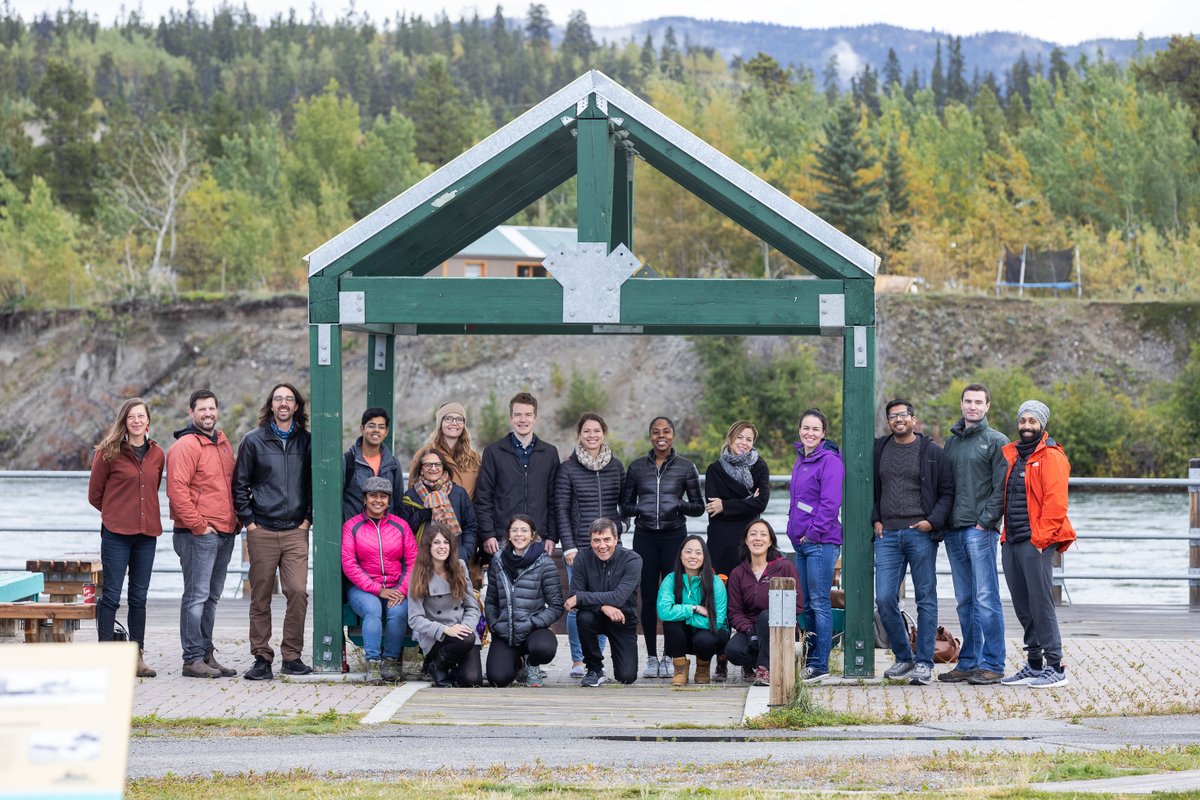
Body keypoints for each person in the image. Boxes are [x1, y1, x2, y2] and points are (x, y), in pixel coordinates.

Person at [871, 398, 955, 686]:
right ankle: (904, 657)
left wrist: (932, 521)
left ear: (913, 419)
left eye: (903, 415)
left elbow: (947, 492)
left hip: (920, 533)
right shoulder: (879, 448)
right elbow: (871, 487)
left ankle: (924, 663)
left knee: (925, 598)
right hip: (887, 535)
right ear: (888, 422)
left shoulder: (931, 452)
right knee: (884, 598)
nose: (898, 420)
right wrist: (875, 519)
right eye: (892, 416)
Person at [233, 382, 313, 681]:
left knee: (297, 591)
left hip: (296, 530)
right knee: (261, 596)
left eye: (288, 399)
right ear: (271, 405)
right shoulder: (253, 441)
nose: (283, 404)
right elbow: (240, 485)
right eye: (278, 399)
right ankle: (261, 657)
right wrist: (250, 522)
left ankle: (291, 656)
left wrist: (308, 520)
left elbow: (314, 484)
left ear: (296, 406)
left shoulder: (307, 442)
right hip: (262, 529)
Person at [620, 416, 704, 679]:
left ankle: (670, 655)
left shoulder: (685, 467)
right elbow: (625, 506)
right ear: (650, 436)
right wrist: (642, 508)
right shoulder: (636, 468)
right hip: (645, 537)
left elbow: (698, 507)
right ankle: (652, 657)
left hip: (674, 537)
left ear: (673, 435)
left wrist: (678, 505)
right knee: (647, 595)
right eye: (656, 432)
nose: (661, 435)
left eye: (666, 431)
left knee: (673, 597)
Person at [1000, 400, 1076, 689]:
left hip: (1037, 542)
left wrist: (1040, 541)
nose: (1027, 426)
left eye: (1033, 421)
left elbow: (1056, 504)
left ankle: (1056, 666)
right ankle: (1034, 664)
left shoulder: (1052, 457)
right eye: (1023, 421)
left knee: (1041, 604)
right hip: (1012, 539)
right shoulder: (1012, 455)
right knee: (1023, 605)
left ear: (1042, 424)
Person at [87, 397, 164, 679]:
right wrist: (116, 514)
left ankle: (137, 656)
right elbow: (95, 495)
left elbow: (152, 488)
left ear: (148, 421)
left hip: (147, 535)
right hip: (116, 535)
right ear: (124, 420)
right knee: (110, 596)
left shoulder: (157, 454)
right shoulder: (107, 453)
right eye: (131, 416)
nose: (136, 421)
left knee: (139, 597)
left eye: (141, 416)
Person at [166, 389, 240, 679]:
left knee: (211, 597)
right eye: (201, 409)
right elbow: (176, 490)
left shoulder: (221, 443)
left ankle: (206, 655)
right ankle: (192, 659)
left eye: (212, 408)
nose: (207, 413)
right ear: (191, 413)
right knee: (196, 597)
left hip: (224, 531)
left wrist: (235, 522)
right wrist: (199, 525)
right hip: (198, 533)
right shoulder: (186, 445)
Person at [940, 384, 1010, 686]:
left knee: (986, 597)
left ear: (987, 406)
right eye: (968, 401)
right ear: (961, 404)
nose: (972, 406)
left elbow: (1002, 487)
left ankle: (993, 663)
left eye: (978, 402)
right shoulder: (952, 442)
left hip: (979, 531)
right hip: (954, 531)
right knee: (964, 599)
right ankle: (968, 662)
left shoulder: (996, 441)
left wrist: (986, 522)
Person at [555, 412, 624, 677]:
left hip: (608, 548)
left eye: (596, 431)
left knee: (605, 601)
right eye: (586, 431)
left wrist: (622, 527)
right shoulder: (568, 468)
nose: (592, 435)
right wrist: (569, 546)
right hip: (579, 549)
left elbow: (625, 502)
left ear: (604, 433)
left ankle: (597, 658)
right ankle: (578, 661)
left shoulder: (616, 466)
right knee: (577, 605)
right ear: (579, 435)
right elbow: (561, 508)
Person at [703, 421, 769, 673]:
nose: (744, 443)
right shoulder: (714, 469)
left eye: (749, 439)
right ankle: (720, 657)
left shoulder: (759, 466)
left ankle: (748, 658)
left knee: (749, 600)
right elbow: (713, 509)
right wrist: (745, 502)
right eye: (740, 437)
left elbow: (761, 503)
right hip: (720, 543)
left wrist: (728, 505)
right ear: (730, 438)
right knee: (719, 599)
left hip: (749, 543)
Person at [785, 409, 845, 683]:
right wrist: (792, 531)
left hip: (821, 543)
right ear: (800, 430)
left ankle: (821, 664)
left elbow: (830, 505)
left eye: (815, 429)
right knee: (807, 604)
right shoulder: (801, 460)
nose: (810, 433)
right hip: (802, 544)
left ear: (823, 433)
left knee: (820, 603)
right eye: (805, 428)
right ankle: (810, 660)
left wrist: (811, 534)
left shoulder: (829, 461)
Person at [342, 476, 418, 684]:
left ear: (388, 500)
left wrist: (402, 589)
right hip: (363, 588)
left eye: (383, 496)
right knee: (373, 609)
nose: (378, 500)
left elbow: (413, 561)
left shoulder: (400, 526)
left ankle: (391, 661)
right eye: (373, 495)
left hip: (396, 586)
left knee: (398, 611)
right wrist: (377, 589)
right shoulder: (352, 526)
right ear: (365, 499)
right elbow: (349, 564)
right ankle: (373, 663)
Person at [475, 392, 560, 558]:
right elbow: (484, 496)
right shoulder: (494, 452)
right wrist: (488, 534)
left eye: (528, 415)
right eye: (518, 415)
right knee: (503, 584)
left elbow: (554, 499)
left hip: (537, 538)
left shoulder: (549, 453)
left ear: (535, 418)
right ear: (511, 418)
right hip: (502, 538)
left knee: (535, 584)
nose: (523, 420)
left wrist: (552, 536)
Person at [484, 515, 564, 687]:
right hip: (505, 632)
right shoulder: (498, 561)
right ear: (508, 534)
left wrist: (533, 622)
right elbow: (491, 600)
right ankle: (519, 664)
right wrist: (494, 624)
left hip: (533, 630)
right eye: (514, 530)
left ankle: (532, 663)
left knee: (544, 649)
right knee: (498, 679)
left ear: (533, 535)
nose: (519, 535)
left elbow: (556, 606)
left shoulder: (545, 564)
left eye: (524, 530)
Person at [565, 517, 643, 687]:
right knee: (583, 617)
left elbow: (619, 597)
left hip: (622, 617)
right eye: (596, 541)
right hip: (594, 616)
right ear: (590, 541)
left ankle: (618, 659)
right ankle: (594, 668)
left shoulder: (633, 560)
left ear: (616, 539)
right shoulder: (582, 558)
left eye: (607, 539)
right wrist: (603, 606)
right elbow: (574, 594)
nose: (602, 545)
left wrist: (582, 598)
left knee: (626, 676)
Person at [725, 519, 802, 686]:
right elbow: (734, 611)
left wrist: (775, 620)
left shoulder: (785, 567)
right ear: (746, 540)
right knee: (733, 651)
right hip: (751, 630)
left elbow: (798, 604)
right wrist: (750, 632)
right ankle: (755, 663)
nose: (757, 538)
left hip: (781, 629)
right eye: (752, 534)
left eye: (763, 534)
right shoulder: (738, 573)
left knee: (767, 616)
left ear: (770, 542)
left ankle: (764, 668)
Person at [407, 522, 483, 687]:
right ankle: (436, 665)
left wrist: (465, 627)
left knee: (472, 681)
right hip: (436, 636)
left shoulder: (460, 566)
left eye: (446, 542)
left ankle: (446, 668)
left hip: (463, 633)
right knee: (463, 641)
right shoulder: (418, 572)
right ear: (428, 547)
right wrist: (446, 630)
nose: (442, 547)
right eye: (436, 542)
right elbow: (414, 619)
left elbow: (472, 607)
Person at [657, 535, 729, 686]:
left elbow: (716, 622)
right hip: (684, 635)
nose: (693, 556)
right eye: (688, 552)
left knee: (704, 639)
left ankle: (702, 668)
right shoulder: (671, 579)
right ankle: (680, 669)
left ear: (704, 557)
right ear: (681, 555)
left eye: (698, 552)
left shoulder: (715, 582)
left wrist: (685, 617)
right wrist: (693, 608)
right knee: (670, 624)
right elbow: (663, 612)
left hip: (710, 634)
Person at [400, 447, 478, 563]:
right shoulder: (410, 496)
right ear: (421, 469)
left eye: (438, 465)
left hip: (455, 558)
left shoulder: (459, 493)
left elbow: (470, 527)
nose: (434, 468)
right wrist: (422, 515)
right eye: (428, 465)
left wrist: (464, 553)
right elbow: (404, 531)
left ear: (443, 467)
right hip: (421, 560)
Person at [408, 402, 482, 499]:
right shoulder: (425, 454)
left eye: (459, 419)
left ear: (464, 425)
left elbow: (480, 493)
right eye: (448, 418)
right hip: (433, 512)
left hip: (468, 513)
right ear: (440, 423)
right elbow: (412, 489)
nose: (454, 423)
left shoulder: (474, 458)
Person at [343, 407, 403, 521]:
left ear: (386, 432)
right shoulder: (347, 460)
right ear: (362, 429)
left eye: (381, 427)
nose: (376, 430)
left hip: (386, 532)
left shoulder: (393, 464)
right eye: (371, 425)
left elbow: (398, 502)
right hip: (354, 531)